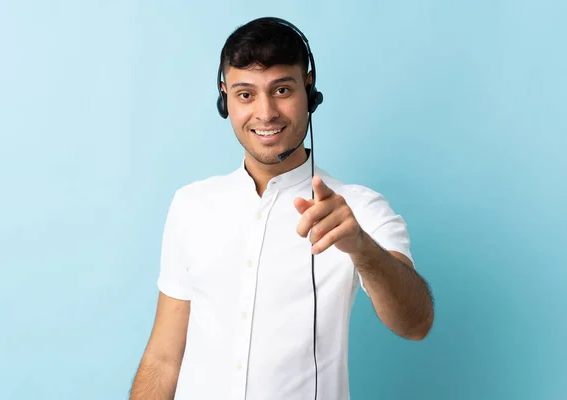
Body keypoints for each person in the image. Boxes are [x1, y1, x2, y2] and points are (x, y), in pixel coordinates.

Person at [129, 17, 434, 400]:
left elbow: (416, 323)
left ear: (310, 92)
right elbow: (163, 358)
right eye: (245, 94)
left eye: (282, 90)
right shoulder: (191, 205)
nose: (266, 112)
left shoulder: (358, 209)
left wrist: (362, 248)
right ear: (225, 99)